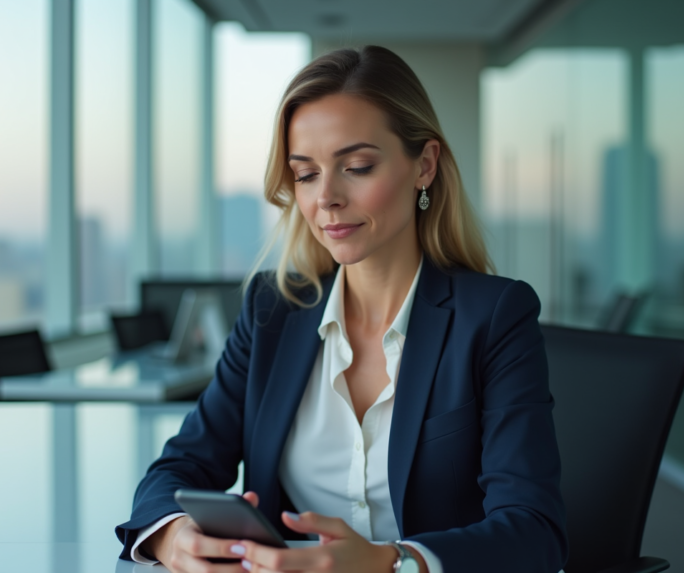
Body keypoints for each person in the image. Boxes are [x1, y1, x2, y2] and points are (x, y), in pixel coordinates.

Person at [115, 45, 568, 573]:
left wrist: (393, 563)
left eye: (356, 166)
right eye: (305, 174)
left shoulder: (492, 316)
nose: (326, 197)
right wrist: (172, 537)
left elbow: (534, 531)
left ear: (424, 165)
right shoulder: (272, 310)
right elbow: (180, 465)